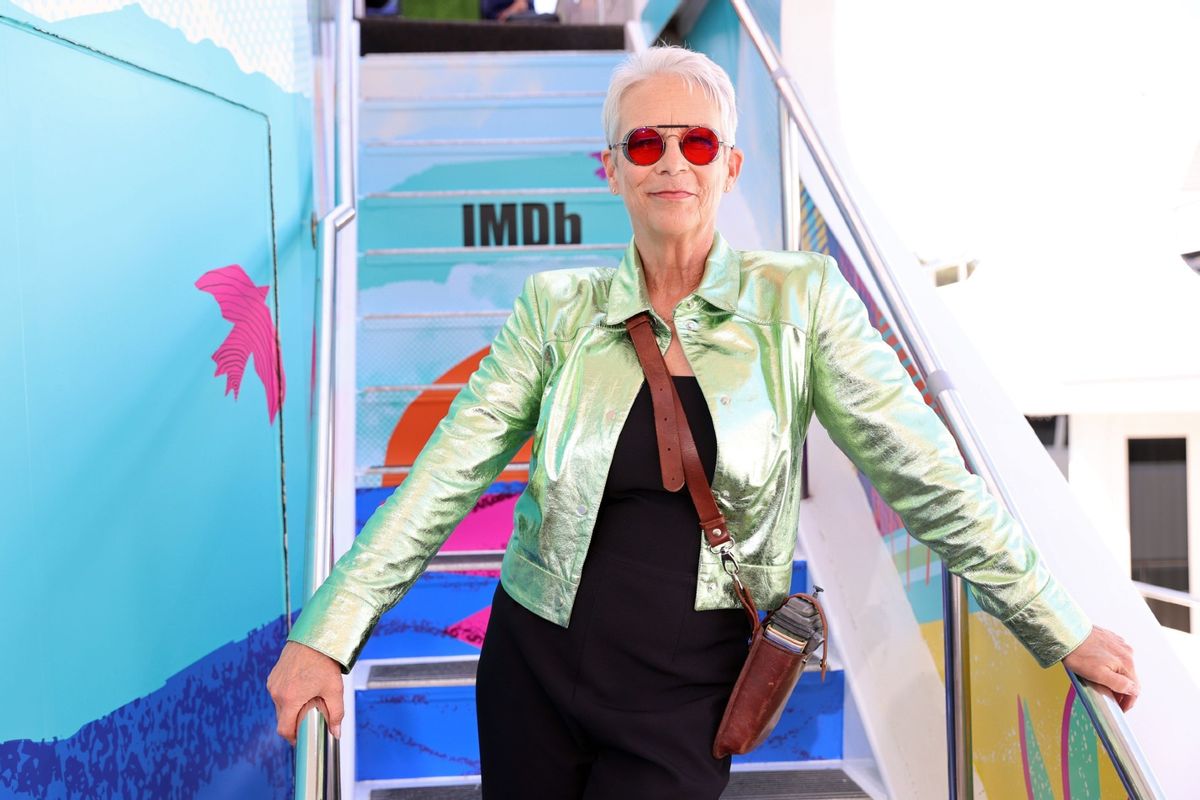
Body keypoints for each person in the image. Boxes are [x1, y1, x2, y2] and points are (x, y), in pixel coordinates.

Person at [267, 45, 1140, 799]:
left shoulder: (802, 303)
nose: (671, 161)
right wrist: (327, 635)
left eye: (697, 142)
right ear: (610, 166)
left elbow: (927, 477)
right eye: (645, 142)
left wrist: (1054, 621)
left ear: (732, 164)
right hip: (534, 659)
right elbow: (441, 480)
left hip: (690, 686)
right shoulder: (555, 311)